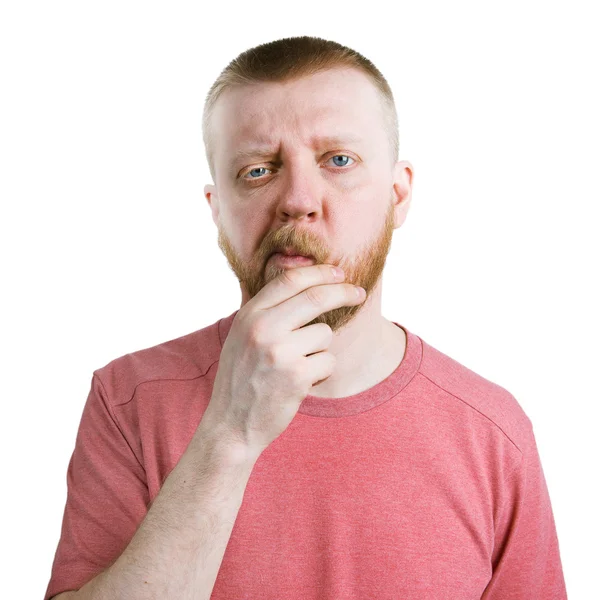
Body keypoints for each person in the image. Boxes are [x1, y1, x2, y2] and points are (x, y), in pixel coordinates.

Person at [44, 36, 567, 600]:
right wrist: (230, 434)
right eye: (258, 170)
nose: (298, 198)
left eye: (338, 160)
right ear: (217, 209)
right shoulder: (129, 401)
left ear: (398, 195)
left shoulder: (492, 431)